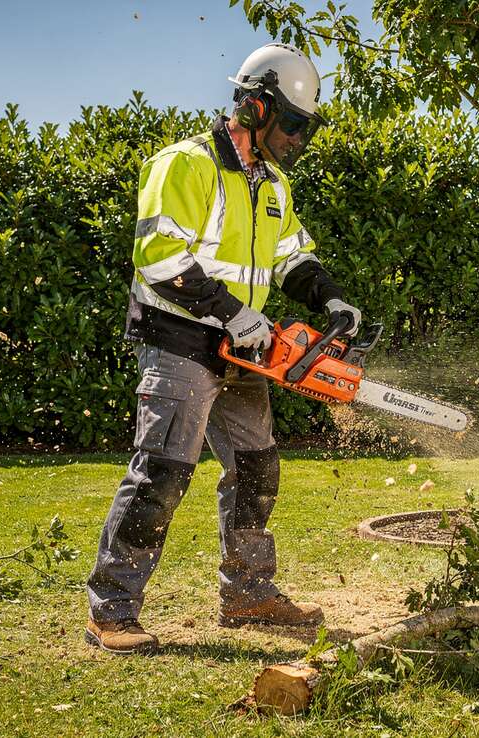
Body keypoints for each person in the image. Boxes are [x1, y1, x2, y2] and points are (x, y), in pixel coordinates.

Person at [84, 43, 362, 654]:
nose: (296, 137)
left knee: (257, 468)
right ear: (254, 106)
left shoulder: (274, 187)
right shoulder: (186, 166)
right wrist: (232, 314)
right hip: (181, 338)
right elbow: (159, 258)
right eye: (290, 123)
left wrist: (331, 299)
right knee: (163, 471)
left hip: (247, 348)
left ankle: (247, 591)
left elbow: (294, 258)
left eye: (303, 127)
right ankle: (112, 610)